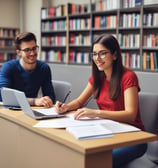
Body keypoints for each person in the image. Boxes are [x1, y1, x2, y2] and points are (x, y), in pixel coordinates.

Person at [55, 34, 147, 167]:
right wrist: (66, 107)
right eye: (94, 54)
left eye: (102, 53)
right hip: (108, 132)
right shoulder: (97, 77)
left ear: (115, 55)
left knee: (97, 162)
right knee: (76, 152)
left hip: (133, 138)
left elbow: (130, 114)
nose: (97, 58)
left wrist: (96, 113)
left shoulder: (128, 77)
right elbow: (79, 102)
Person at [0, 32, 55, 108]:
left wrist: (48, 100)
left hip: (33, 109)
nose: (32, 53)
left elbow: (51, 96)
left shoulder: (44, 68)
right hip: (11, 109)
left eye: (34, 48)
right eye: (27, 50)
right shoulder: (8, 67)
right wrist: (34, 101)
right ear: (19, 52)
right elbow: (4, 96)